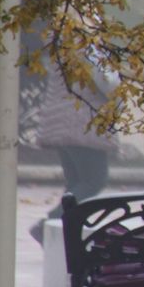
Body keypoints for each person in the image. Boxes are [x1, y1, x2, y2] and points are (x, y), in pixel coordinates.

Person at [32, 55, 117, 239]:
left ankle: (65, 234)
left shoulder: (61, 38)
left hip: (63, 119)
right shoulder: (86, 40)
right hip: (83, 121)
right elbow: (107, 81)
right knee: (93, 181)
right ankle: (47, 226)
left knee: (75, 184)